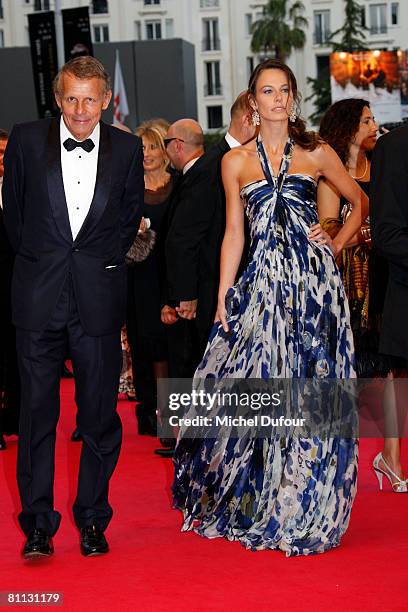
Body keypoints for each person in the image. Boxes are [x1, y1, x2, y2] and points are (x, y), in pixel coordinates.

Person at [172, 59, 368, 556]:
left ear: (292, 98)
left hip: (314, 288)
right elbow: (233, 234)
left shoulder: (317, 152)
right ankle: (262, 494)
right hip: (261, 286)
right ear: (253, 100)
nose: (277, 98)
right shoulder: (234, 163)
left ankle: (308, 499)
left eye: (284, 90)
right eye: (267, 90)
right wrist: (222, 293)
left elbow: (358, 201)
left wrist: (337, 242)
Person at [2, 56, 144, 559]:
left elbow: (127, 222)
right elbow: (14, 220)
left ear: (106, 100)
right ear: (57, 99)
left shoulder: (128, 149)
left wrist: (93, 267)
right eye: (71, 98)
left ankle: (92, 519)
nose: (81, 109)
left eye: (91, 98)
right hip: (38, 299)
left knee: (100, 419)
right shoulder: (23, 139)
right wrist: (46, 263)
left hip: (97, 301)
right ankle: (37, 525)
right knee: (36, 418)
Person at [318, 99, 407, 493]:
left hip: (384, 274)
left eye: (373, 118)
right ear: (347, 126)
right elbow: (330, 234)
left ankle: (391, 456)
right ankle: (335, 459)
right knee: (346, 372)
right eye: (366, 119)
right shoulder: (331, 174)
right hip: (348, 285)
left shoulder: (382, 163)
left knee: (389, 370)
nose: (374, 125)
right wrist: (368, 233)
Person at [126, 121, 175, 436]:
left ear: (165, 150)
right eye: (141, 148)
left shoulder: (180, 184)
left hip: (172, 274)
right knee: (144, 342)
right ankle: (148, 411)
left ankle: (171, 415)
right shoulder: (128, 189)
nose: (147, 153)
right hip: (140, 276)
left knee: (170, 346)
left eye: (153, 146)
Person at [370, 122, 408, 492]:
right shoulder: (394, 147)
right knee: (396, 376)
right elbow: (388, 233)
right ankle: (391, 457)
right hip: (403, 282)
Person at [0, 129, 20, 450]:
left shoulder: (21, 191)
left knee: (19, 356)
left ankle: (15, 420)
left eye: (4, 152)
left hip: (20, 287)